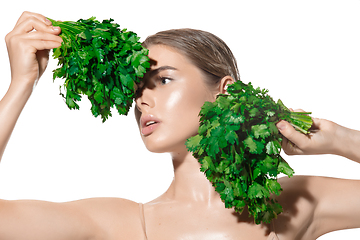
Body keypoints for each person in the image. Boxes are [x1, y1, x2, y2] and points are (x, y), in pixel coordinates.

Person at [1, 11, 360, 240]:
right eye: (138, 87)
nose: (141, 100)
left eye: (163, 80)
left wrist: (341, 140)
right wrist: (21, 85)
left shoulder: (291, 203)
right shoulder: (125, 223)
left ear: (224, 92)